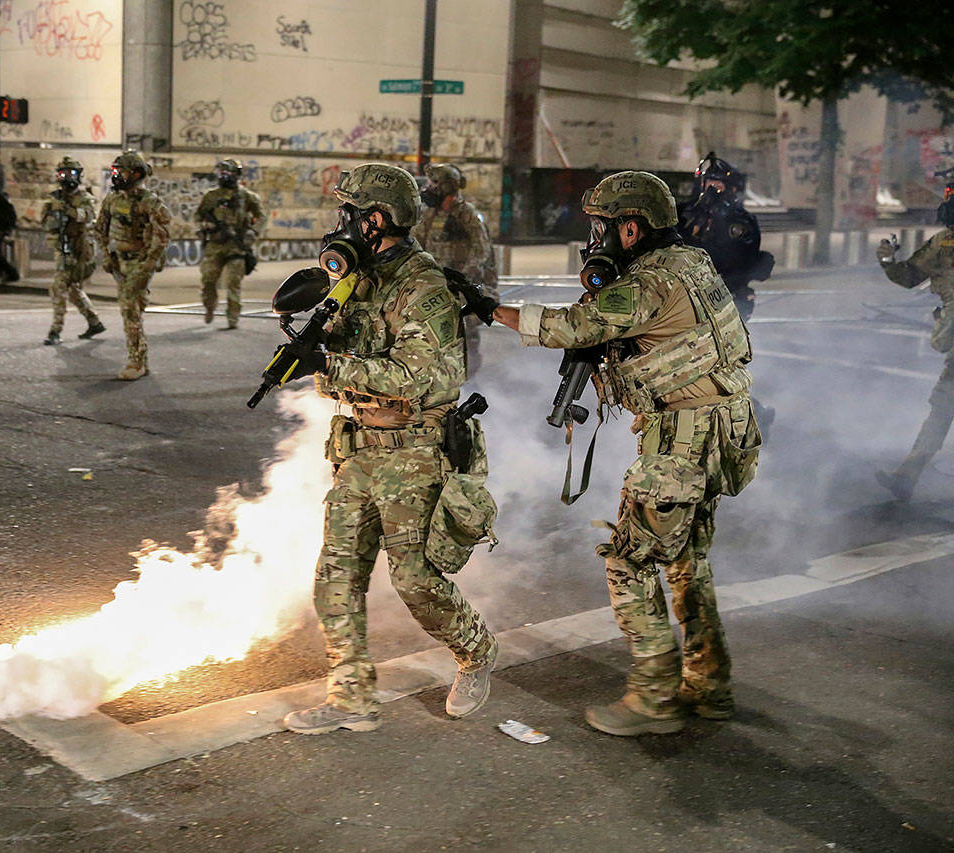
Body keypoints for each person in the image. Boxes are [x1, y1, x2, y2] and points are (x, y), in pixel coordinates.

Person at [491, 171, 761, 735]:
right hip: (725, 431)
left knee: (629, 560)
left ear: (631, 229)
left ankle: (655, 696)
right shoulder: (690, 262)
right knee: (687, 560)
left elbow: (571, 326)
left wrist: (487, 307)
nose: (595, 237)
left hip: (680, 440)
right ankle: (710, 684)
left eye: (602, 227)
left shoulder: (646, 285)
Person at [279, 164, 499, 736]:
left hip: (415, 453)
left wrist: (331, 363)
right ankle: (351, 695)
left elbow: (423, 374)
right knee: (336, 576)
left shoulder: (422, 286)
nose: (340, 222)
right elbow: (346, 362)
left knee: (416, 580)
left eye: (349, 212)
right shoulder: (360, 276)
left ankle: (476, 652)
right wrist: (309, 341)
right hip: (360, 449)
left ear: (377, 219)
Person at [874, 181, 954, 501]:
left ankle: (907, 477)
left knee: (942, 409)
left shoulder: (944, 243)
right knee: (942, 408)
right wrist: (888, 262)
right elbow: (909, 276)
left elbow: (908, 277)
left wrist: (888, 262)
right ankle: (907, 477)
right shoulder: (943, 243)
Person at [415, 162, 499, 374]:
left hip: (462, 286)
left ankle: (469, 377)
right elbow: (417, 244)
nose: (431, 187)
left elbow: (482, 251)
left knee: (465, 333)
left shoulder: (467, 214)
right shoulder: (430, 214)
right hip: (436, 284)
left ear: (447, 186)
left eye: (435, 182)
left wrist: (464, 278)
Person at [94, 150, 171, 380]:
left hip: (140, 261)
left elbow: (162, 235)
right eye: (115, 171)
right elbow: (100, 229)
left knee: (128, 307)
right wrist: (107, 255)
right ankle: (141, 360)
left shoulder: (149, 202)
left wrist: (148, 265)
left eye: (121, 172)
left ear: (136, 174)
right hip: (120, 262)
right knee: (134, 307)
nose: (116, 176)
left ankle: (136, 362)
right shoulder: (112, 200)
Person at [677, 152, 772, 323]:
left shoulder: (740, 220)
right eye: (709, 184)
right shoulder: (685, 212)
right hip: (686, 294)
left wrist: (718, 218)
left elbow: (732, 257)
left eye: (718, 185)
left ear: (731, 189)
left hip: (725, 293)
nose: (712, 190)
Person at [39, 156, 105, 347]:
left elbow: (87, 216)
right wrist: (53, 216)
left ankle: (55, 330)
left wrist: (67, 210)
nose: (67, 177)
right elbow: (45, 220)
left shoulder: (85, 197)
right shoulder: (55, 197)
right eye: (63, 173)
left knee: (59, 288)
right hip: (62, 248)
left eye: (72, 173)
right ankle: (94, 322)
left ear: (79, 176)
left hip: (79, 249)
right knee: (74, 290)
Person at [195, 158, 266, 329]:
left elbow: (262, 217)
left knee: (233, 282)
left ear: (236, 175)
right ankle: (209, 307)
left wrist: (253, 231)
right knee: (208, 279)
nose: (223, 176)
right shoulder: (211, 196)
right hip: (215, 244)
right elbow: (198, 216)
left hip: (236, 245)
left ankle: (232, 317)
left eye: (227, 173)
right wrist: (205, 225)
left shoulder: (246, 197)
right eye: (221, 173)